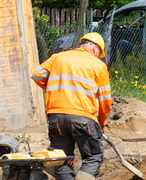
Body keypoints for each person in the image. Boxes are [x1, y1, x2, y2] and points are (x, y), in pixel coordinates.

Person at [31, 32, 111, 180]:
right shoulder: (98, 65)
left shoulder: (58, 57)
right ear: (95, 49)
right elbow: (105, 100)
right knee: (93, 156)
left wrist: (56, 89)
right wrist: (101, 122)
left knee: (62, 159)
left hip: (56, 118)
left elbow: (37, 74)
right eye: (99, 53)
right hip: (83, 118)